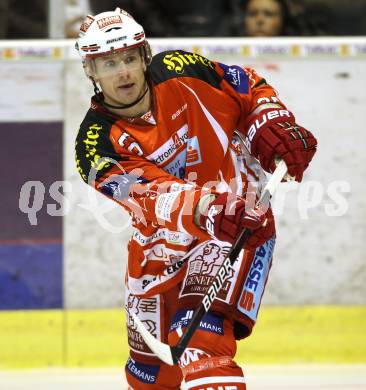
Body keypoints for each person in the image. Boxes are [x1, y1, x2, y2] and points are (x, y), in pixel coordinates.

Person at [74, 8, 317, 389]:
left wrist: (272, 122)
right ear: (91, 71)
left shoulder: (184, 70)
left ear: (144, 56)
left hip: (237, 226)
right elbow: (148, 196)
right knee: (150, 375)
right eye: (108, 63)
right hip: (161, 249)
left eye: (128, 58)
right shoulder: (95, 146)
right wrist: (204, 208)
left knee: (200, 343)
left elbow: (248, 89)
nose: (122, 72)